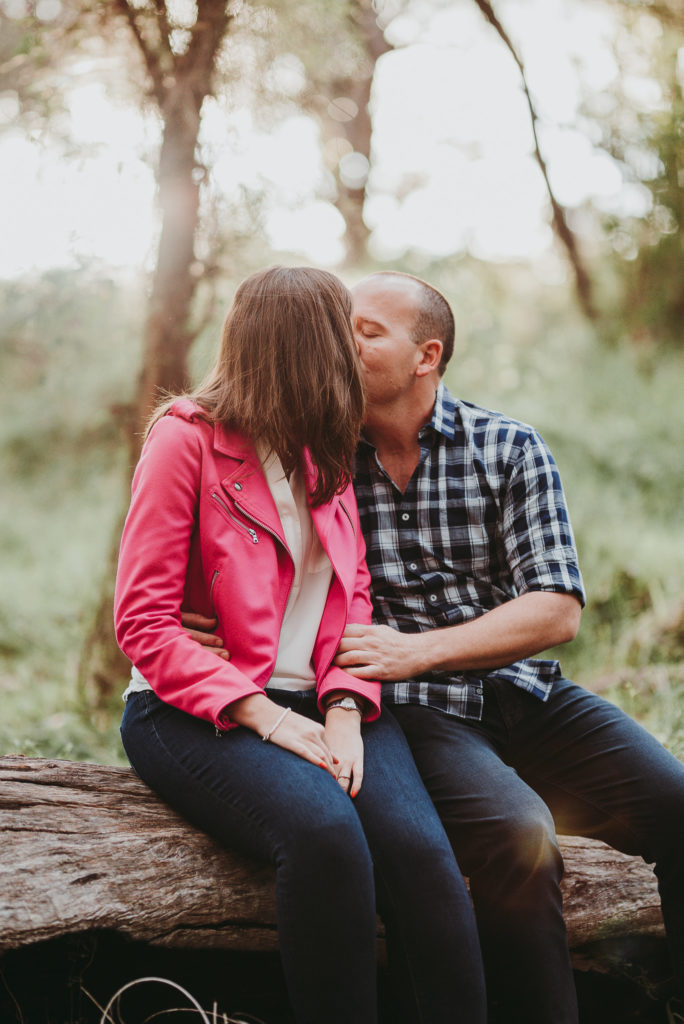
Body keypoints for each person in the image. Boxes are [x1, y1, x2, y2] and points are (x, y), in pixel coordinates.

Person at [185, 269, 684, 1024]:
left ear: (427, 355)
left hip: (526, 692)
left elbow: (555, 610)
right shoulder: (317, 453)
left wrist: (414, 650)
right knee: (521, 837)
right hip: (415, 715)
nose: (341, 341)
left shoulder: (506, 447)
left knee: (675, 805)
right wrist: (205, 614)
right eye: (339, 325)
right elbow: (242, 550)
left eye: (366, 331)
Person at [114, 266, 486, 1024]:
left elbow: (350, 591)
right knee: (325, 836)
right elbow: (144, 623)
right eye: (340, 333)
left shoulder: (325, 446)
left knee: (422, 855)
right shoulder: (184, 439)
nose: (353, 350)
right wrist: (267, 716)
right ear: (304, 347)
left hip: (323, 695)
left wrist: (346, 707)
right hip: (195, 708)